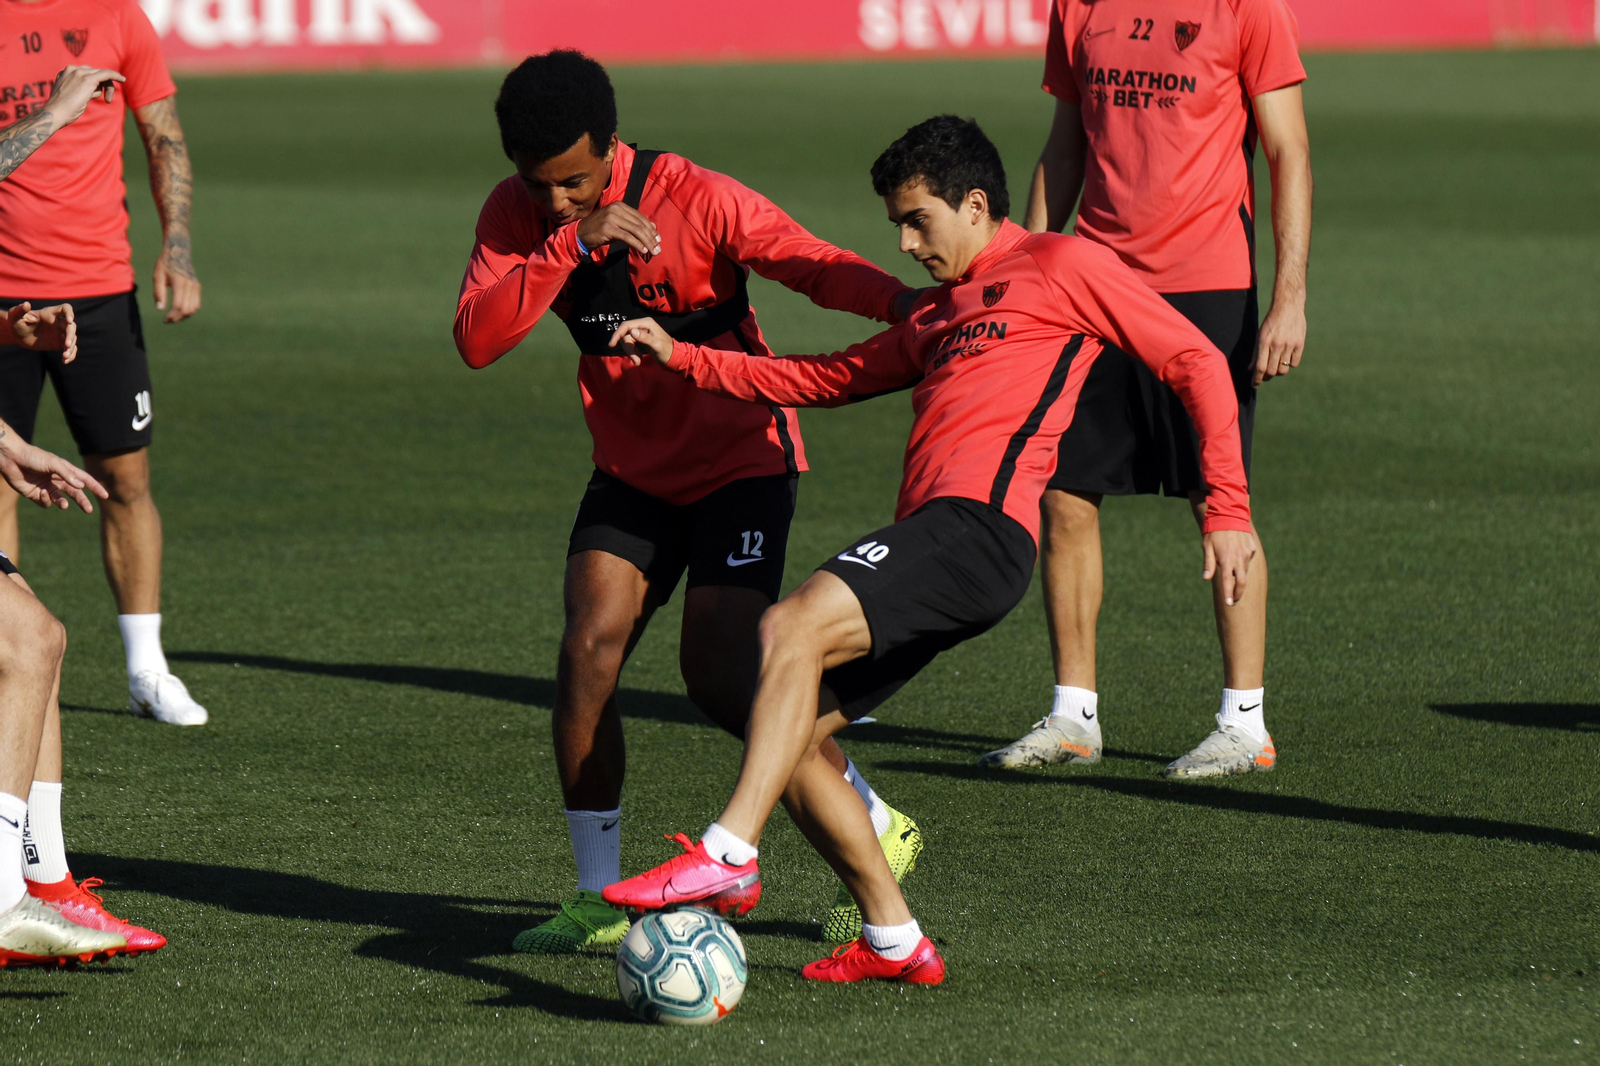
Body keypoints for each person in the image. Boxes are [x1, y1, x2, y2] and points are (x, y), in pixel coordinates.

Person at [601, 116, 1256, 983]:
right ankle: (895, 939)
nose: (907, 246)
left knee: (789, 624)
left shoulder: (1065, 267)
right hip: (938, 541)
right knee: (787, 725)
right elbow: (825, 377)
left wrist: (1226, 506)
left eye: (918, 222)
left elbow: (1196, 360)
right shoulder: (942, 311)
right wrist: (685, 359)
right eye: (897, 227)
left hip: (980, 529)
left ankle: (730, 851)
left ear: (975, 205)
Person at [453, 50, 924, 954]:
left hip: (741, 457)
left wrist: (911, 306)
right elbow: (478, 340)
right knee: (587, 654)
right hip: (631, 471)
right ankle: (598, 898)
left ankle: (874, 817)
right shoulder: (524, 217)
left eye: (577, 183)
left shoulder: (695, 195)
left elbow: (811, 265)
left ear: (613, 147)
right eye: (539, 184)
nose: (556, 199)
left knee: (720, 676)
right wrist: (571, 245)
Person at [982, 0, 1312, 777]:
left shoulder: (1246, 7)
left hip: (1208, 290)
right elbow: (1064, 147)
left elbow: (1288, 149)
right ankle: (1073, 715)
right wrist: (1019, 273)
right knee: (1063, 492)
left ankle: (1244, 722)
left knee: (1217, 497)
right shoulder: (1079, 6)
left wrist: (1289, 297)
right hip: (1089, 286)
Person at [0, 0, 207, 727]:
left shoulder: (119, 16)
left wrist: (175, 245)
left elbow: (164, 135)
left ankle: (147, 670)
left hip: (101, 292)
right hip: (2, 302)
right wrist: (55, 112)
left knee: (126, 476)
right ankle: (8, 655)